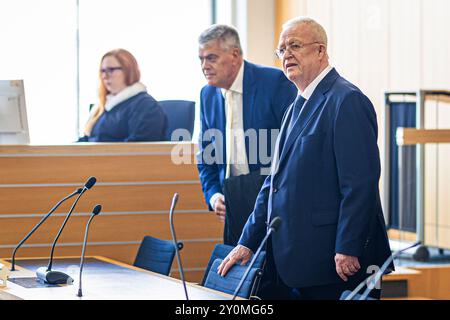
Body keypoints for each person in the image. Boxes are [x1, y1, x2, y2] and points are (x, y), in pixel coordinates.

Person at [218, 17, 393, 300]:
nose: (286, 54)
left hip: (337, 262)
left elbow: (360, 184)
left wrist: (348, 246)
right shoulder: (295, 107)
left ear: (321, 51)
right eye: (282, 49)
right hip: (297, 260)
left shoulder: (346, 100)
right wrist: (247, 242)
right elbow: (273, 184)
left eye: (295, 45)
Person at [196, 25, 297, 246]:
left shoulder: (274, 82)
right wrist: (213, 196)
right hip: (233, 201)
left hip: (272, 201)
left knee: (270, 277)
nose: (205, 66)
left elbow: (294, 149)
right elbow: (206, 155)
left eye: (211, 57)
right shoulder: (207, 94)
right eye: (201, 59)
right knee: (239, 275)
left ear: (234, 55)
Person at [79, 49, 167, 142]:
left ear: (128, 70)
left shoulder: (145, 106)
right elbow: (87, 140)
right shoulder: (102, 107)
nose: (104, 76)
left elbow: (137, 149)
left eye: (111, 70)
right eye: (103, 71)